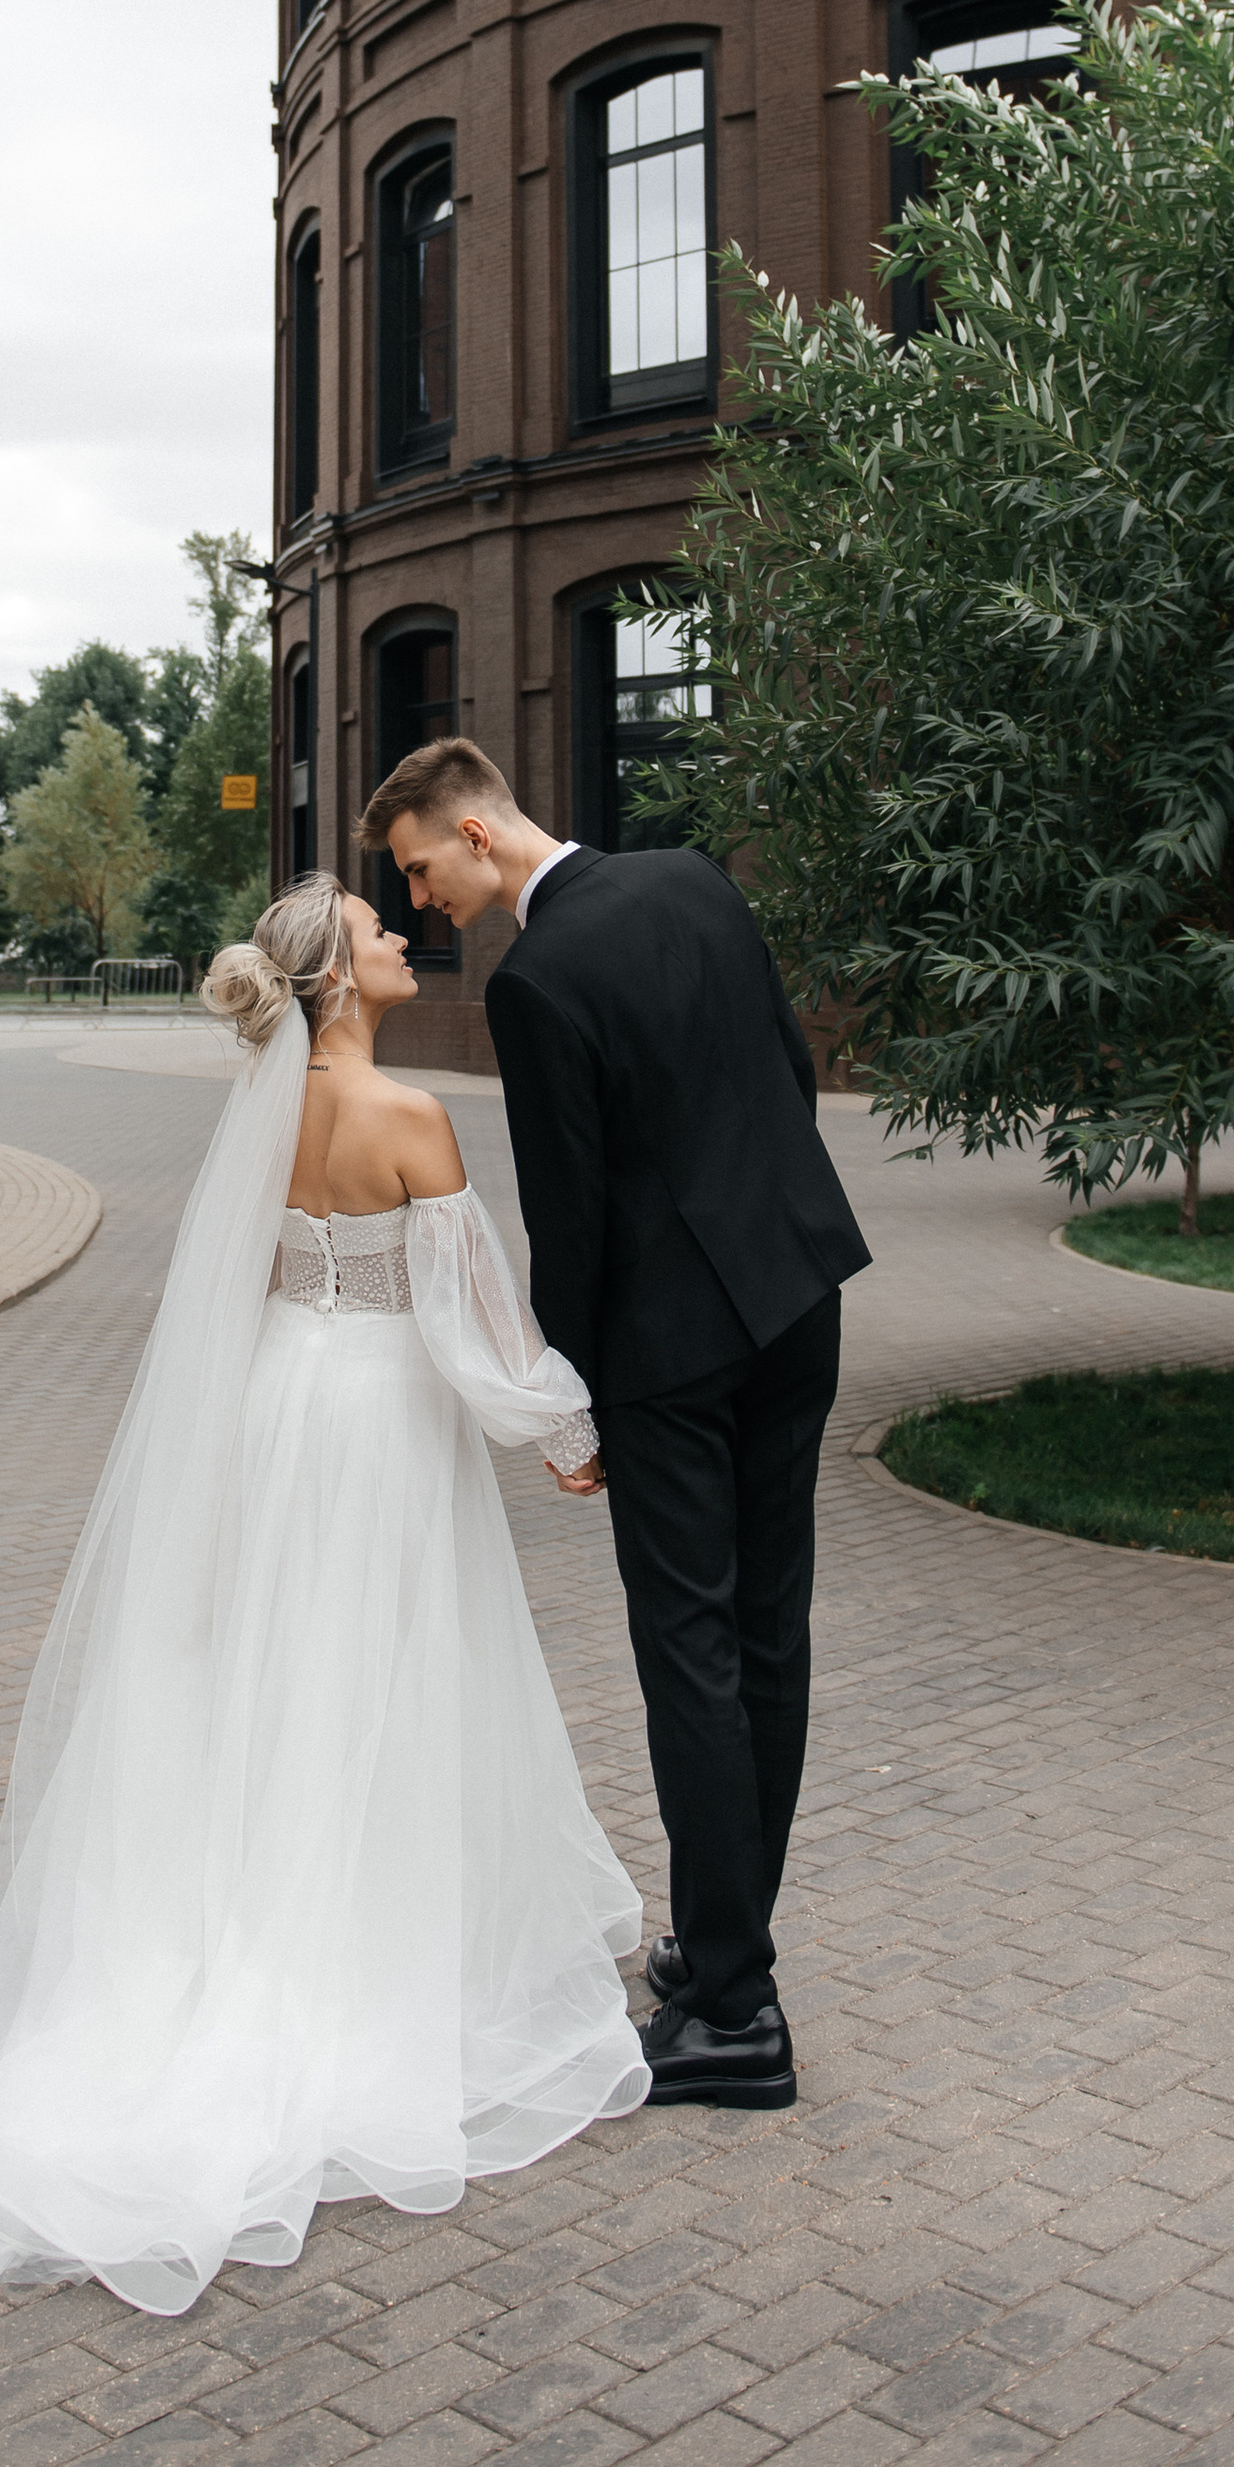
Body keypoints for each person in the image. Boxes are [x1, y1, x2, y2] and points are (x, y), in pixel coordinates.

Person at [0, 875, 647, 2317]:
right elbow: (469, 1323)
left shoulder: (265, 1121)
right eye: (379, 933)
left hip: (277, 1410)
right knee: (375, 1670)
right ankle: (365, 1957)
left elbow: (242, 1292)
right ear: (337, 982)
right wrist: (569, 1433)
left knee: (271, 1672)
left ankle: (239, 1917)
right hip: (379, 1429)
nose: (400, 939)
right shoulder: (409, 1121)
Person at [363, 740, 870, 2113]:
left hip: (671, 1356)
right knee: (772, 1637)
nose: (419, 905)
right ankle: (720, 1966)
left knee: (691, 1655)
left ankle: (738, 2015)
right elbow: (789, 1068)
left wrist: (566, 1400)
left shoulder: (536, 980)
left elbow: (571, 1220)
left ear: (475, 831)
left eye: (418, 869)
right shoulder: (698, 881)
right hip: (799, 1297)